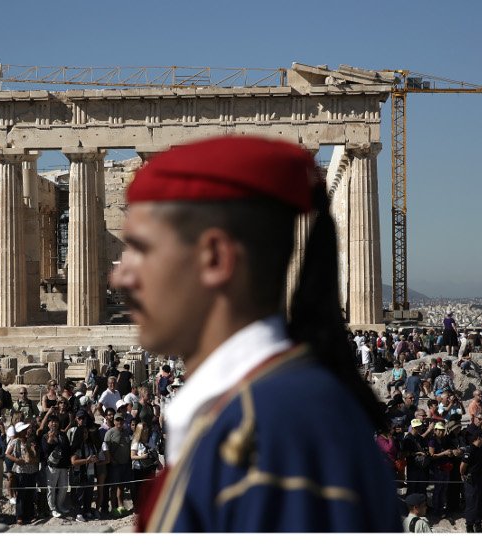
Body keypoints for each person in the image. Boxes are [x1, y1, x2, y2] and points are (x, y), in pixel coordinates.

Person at [111, 135, 398, 532]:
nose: (119, 276)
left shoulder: (268, 438)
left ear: (214, 258)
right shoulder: (260, 414)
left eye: (140, 248)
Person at [460, 430, 482, 533]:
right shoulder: (470, 449)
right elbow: (463, 466)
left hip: (479, 478)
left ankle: (478, 524)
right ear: (479, 437)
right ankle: (470, 526)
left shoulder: (480, 449)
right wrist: (463, 475)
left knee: (480, 502)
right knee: (472, 503)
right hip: (471, 480)